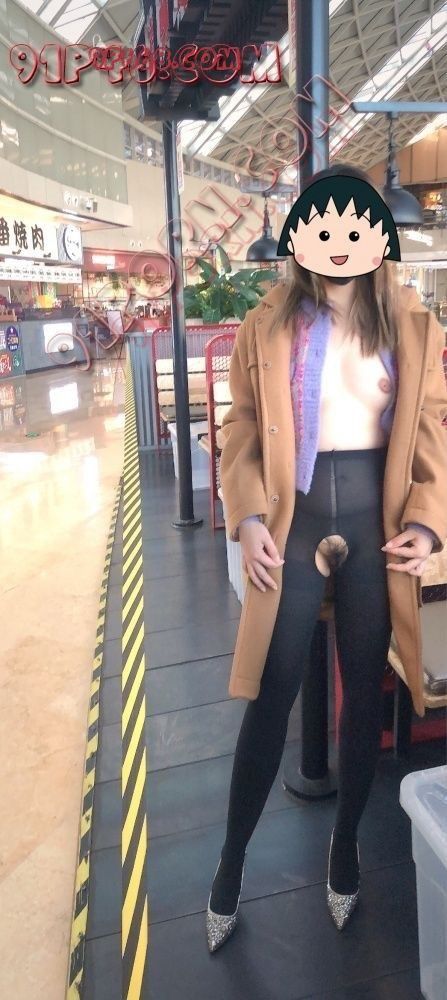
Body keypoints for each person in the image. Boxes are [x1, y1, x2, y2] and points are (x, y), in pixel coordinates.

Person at [205, 162, 447, 952]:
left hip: (376, 520)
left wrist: (427, 522)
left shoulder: (411, 324)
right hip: (295, 519)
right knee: (271, 690)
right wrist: (245, 515)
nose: (339, 244)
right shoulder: (266, 324)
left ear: (377, 239)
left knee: (361, 693)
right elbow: (242, 426)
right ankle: (230, 863)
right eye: (324, 228)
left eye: (354, 229)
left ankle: (344, 851)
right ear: (300, 237)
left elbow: (431, 426)